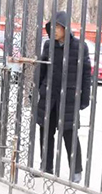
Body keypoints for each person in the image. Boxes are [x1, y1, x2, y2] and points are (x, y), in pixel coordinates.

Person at [37, 11, 91, 183]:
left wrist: (84, 99)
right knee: (46, 132)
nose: (54, 31)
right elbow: (42, 69)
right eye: (52, 27)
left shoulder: (79, 46)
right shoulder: (48, 45)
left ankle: (76, 170)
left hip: (68, 98)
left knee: (69, 134)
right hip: (49, 97)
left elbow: (86, 74)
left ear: (65, 28)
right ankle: (46, 167)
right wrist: (38, 89)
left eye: (57, 27)